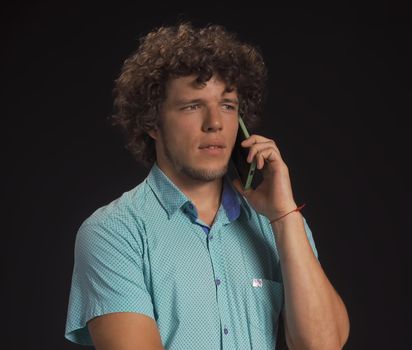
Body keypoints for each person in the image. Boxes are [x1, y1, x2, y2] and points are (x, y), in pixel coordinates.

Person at [64, 22, 350, 349]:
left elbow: (323, 345)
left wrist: (284, 215)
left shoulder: (280, 223)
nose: (215, 123)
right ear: (152, 123)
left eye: (228, 106)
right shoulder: (114, 232)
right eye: (193, 106)